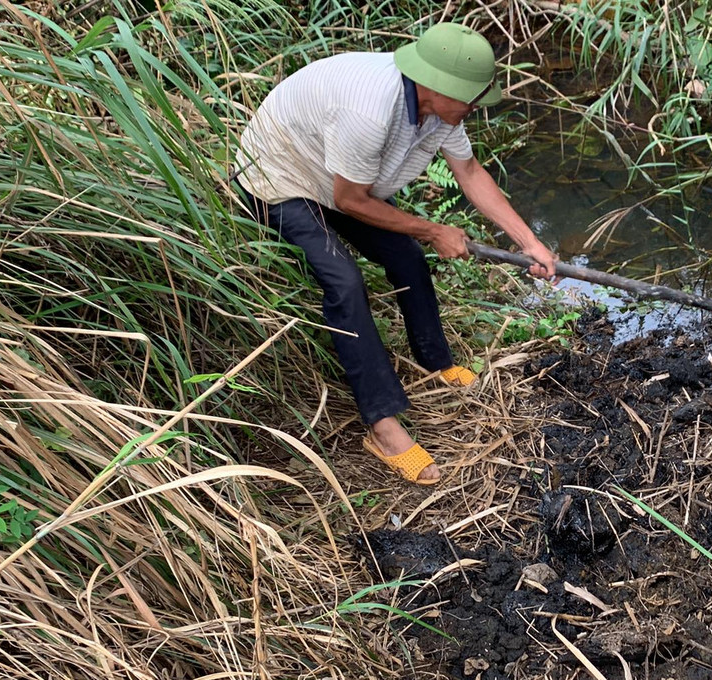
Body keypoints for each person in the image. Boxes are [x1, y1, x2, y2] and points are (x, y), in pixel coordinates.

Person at [233, 22, 558, 486]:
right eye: (469, 100)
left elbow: (467, 170)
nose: (473, 110)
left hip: (339, 178)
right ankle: (382, 426)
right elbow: (350, 201)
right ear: (436, 86)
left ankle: (435, 362)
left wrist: (529, 242)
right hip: (282, 181)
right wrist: (433, 229)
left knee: (405, 256)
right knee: (344, 280)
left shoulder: (438, 110)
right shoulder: (369, 110)